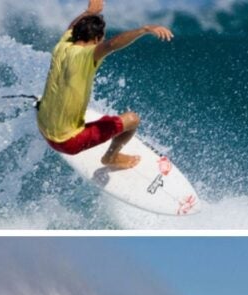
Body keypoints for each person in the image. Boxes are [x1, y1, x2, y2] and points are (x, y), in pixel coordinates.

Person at [36, 0, 173, 170]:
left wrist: (90, 12)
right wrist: (144, 29)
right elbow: (111, 45)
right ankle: (110, 157)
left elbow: (72, 27)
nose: (103, 41)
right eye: (101, 38)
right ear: (95, 39)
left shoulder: (62, 45)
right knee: (132, 120)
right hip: (66, 142)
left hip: (42, 125)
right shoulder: (87, 55)